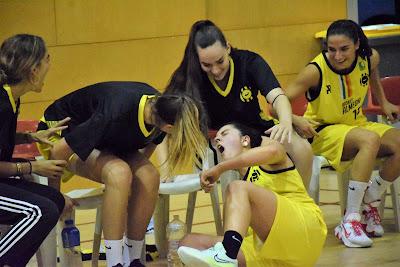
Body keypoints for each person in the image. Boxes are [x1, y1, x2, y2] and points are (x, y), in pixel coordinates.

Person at [37, 81, 207, 267]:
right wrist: (56, 197)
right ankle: (115, 262)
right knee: (119, 173)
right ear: (169, 128)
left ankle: (133, 259)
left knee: (149, 175)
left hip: (105, 139)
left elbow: (143, 159)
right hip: (59, 133)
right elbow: (57, 152)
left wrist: (134, 192)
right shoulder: (115, 112)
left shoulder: (162, 110)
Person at [285, 19, 400, 248]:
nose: (337, 56)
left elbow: (372, 72)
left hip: (356, 124)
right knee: (370, 140)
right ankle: (350, 221)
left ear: (357, 44)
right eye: (331, 49)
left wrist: (384, 102)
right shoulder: (314, 71)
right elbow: (276, 103)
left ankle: (371, 196)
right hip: (323, 131)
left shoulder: (370, 57)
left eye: (344, 49)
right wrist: (296, 120)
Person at [164, 19, 313, 187]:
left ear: (228, 47)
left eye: (220, 61)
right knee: (234, 155)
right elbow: (162, 118)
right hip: (216, 140)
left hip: (255, 130)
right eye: (207, 65)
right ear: (197, 59)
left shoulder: (249, 62)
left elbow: (278, 97)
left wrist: (286, 122)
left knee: (302, 149)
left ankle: (303, 205)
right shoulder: (188, 76)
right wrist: (166, 169)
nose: (215, 70)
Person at [177, 123, 327, 267]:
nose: (217, 139)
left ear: (245, 140)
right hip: (274, 255)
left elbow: (275, 151)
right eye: (216, 137)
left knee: (237, 188)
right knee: (189, 243)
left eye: (224, 133)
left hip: (304, 228)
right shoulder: (239, 189)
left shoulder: (269, 159)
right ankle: (226, 256)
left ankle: (227, 256)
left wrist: (220, 168)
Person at [0, 34, 71, 266]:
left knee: (54, 199)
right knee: (40, 211)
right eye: (46, 60)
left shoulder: (11, 97)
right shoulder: (1, 102)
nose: (49, 64)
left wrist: (29, 137)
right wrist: (34, 167)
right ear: (33, 71)